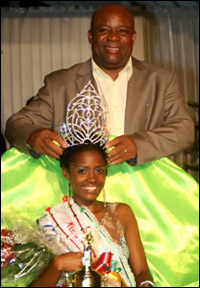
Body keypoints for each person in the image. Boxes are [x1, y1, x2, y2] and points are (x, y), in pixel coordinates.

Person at [5, 4, 194, 165]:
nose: (113, 37)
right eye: (104, 30)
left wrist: (139, 144)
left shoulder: (161, 79)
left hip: (141, 191)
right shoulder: (60, 83)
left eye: (122, 31)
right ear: (90, 36)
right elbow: (16, 124)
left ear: (133, 37)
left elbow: (184, 130)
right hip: (80, 195)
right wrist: (32, 136)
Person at [30, 143, 154, 287]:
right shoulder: (51, 222)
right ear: (66, 173)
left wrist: (146, 284)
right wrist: (57, 264)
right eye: (82, 171)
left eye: (99, 170)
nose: (92, 178)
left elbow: (141, 271)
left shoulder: (122, 212)